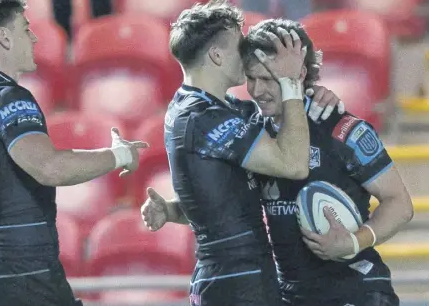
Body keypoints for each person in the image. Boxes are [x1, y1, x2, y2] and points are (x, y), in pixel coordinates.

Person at [143, 19, 414, 306]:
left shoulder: (341, 129)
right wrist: (171, 211)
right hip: (287, 295)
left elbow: (400, 203)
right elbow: (233, 207)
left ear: (298, 74)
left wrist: (355, 241)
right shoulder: (250, 131)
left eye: (270, 79)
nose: (258, 90)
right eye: (251, 77)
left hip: (356, 291)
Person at [0, 0, 147, 306]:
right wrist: (118, 155)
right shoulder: (7, 96)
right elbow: (48, 167)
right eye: (25, 29)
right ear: (3, 38)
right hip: (25, 273)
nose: (34, 38)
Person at [164, 0, 346, 306]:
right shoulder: (203, 118)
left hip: (230, 277)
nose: (247, 53)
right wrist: (289, 82)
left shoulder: (205, 108)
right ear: (217, 55)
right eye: (240, 44)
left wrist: (309, 95)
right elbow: (293, 164)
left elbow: (222, 200)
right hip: (238, 285)